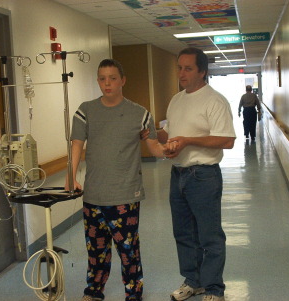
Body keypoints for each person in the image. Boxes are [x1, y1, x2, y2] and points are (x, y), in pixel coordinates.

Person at [66, 59, 169, 301]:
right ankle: (93, 291)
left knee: (128, 251)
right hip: (94, 196)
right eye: (102, 78)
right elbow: (76, 146)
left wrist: (172, 147)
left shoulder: (139, 113)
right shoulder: (85, 111)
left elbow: (154, 148)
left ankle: (134, 293)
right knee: (96, 251)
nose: (107, 83)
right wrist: (71, 177)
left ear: (123, 80)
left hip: (125, 195)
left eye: (112, 78)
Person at [157, 47, 236, 301]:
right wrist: (160, 139)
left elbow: (227, 140)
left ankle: (214, 288)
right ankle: (193, 281)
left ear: (202, 71)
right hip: (177, 174)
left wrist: (188, 141)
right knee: (183, 233)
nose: (181, 73)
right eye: (179, 67)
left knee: (209, 235)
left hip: (203, 176)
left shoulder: (214, 100)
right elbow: (171, 135)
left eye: (188, 68)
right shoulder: (176, 99)